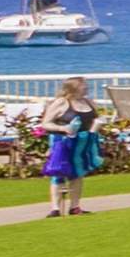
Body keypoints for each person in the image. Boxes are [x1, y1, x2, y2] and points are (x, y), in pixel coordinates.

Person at [35, 76, 102, 217]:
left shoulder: (88, 102)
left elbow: (94, 119)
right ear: (74, 87)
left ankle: (75, 206)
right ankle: (55, 208)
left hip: (83, 141)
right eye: (84, 85)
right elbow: (46, 123)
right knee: (58, 172)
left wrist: (96, 126)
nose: (87, 88)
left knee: (77, 173)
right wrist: (64, 128)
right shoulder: (61, 103)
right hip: (62, 142)